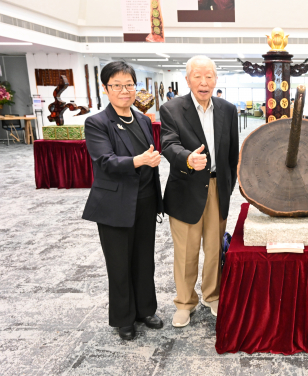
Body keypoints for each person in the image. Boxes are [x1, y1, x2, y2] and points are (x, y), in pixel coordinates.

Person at [82, 61, 164, 341]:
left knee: (144, 260)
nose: (124, 90)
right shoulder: (97, 123)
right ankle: (123, 318)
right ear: (106, 89)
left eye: (129, 84)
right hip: (115, 204)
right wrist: (140, 161)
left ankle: (145, 310)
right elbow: (105, 161)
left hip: (145, 199)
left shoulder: (141, 119)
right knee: (119, 264)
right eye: (117, 85)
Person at [160, 55, 239, 327]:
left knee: (215, 248)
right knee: (186, 251)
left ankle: (212, 295)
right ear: (187, 79)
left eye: (209, 77)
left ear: (216, 79)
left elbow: (232, 154)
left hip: (218, 187)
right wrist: (187, 158)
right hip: (185, 188)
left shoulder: (228, 109)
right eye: (198, 76)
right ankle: (184, 302)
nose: (204, 82)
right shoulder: (171, 109)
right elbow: (168, 145)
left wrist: (229, 185)